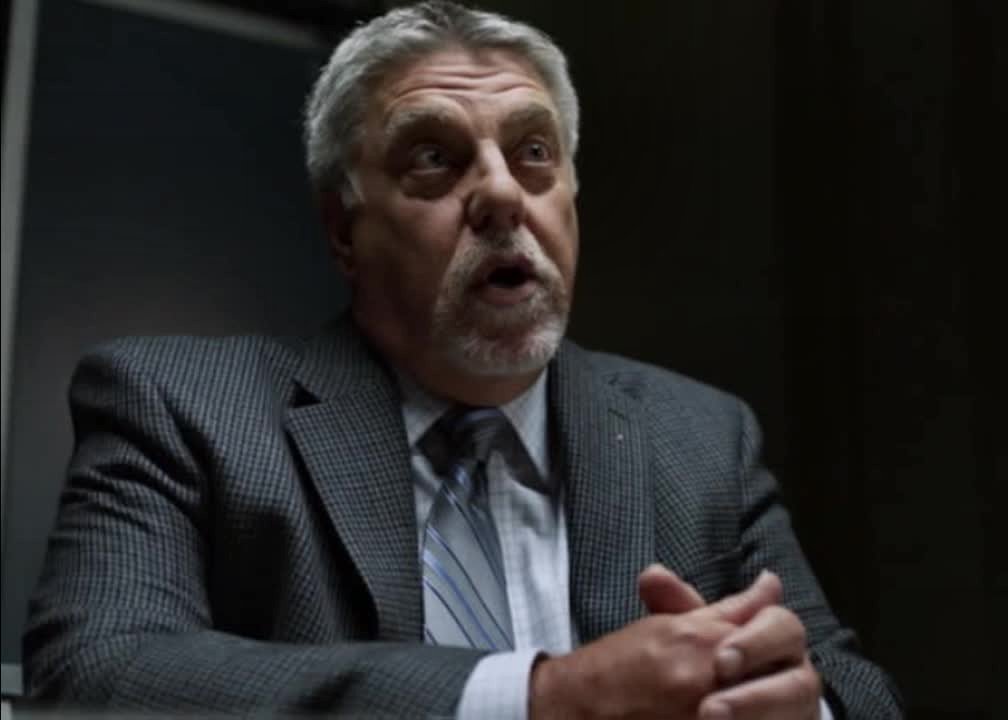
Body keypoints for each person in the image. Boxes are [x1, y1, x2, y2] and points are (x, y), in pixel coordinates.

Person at [23, 2, 902, 718]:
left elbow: (855, 693)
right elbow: (94, 676)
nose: (502, 194)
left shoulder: (700, 437)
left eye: (534, 153)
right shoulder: (182, 408)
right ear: (343, 231)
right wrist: (538, 699)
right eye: (435, 159)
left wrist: (786, 706)